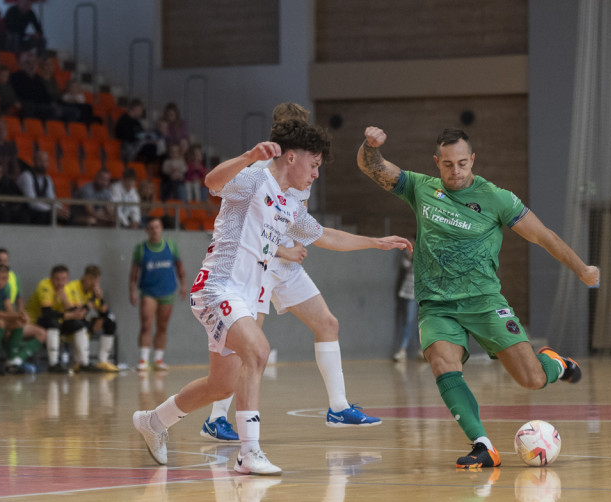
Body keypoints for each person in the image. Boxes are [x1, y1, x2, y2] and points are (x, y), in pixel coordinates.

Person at [132, 119, 411, 476]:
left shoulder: (289, 206)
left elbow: (323, 235)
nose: (315, 175)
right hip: (217, 287)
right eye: (314, 166)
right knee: (259, 350)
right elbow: (212, 182)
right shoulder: (254, 180)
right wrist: (248, 156)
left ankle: (154, 421)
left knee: (222, 385)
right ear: (291, 158)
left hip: (242, 297)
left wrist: (375, 242)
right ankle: (249, 453)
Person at [357, 126, 599, 468]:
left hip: (485, 301)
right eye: (447, 164)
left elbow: (544, 236)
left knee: (531, 379)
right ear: (436, 163)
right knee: (442, 363)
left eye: (461, 163)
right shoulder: (420, 188)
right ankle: (482, 445)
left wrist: (582, 268)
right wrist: (370, 146)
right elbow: (373, 167)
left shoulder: (497, 198)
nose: (455, 171)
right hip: (437, 304)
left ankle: (555, 363)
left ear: (473, 160)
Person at [201, 102, 384, 442]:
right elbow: (242, 216)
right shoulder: (259, 172)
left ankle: (339, 406)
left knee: (327, 323)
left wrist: (375, 241)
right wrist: (282, 248)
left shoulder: (305, 168)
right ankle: (217, 418)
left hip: (287, 264)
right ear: (284, 146)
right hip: (259, 265)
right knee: (246, 347)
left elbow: (304, 225)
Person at [129, 217, 185, 372]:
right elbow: (134, 273)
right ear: (147, 230)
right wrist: (132, 290)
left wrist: (184, 285)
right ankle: (143, 359)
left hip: (167, 291)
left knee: (162, 326)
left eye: (157, 227)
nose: (154, 230)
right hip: (148, 292)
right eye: (151, 227)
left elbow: (179, 267)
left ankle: (158, 360)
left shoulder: (171, 245)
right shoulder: (141, 249)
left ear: (161, 229)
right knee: (146, 324)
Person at [25, 264, 90, 373]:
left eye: (63, 279)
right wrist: (70, 315)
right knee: (52, 322)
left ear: (67, 279)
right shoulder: (44, 286)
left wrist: (66, 301)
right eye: (57, 279)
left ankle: (83, 363)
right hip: (36, 321)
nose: (60, 283)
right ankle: (53, 364)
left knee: (79, 324)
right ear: (51, 278)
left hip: (57, 321)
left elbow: (74, 312)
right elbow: (47, 313)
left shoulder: (66, 289)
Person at [0, 263, 45, 373]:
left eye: (3, 279)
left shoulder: (6, 287)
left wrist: (19, 318)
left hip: (1, 321)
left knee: (20, 324)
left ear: (7, 279)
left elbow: (9, 309)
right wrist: (17, 315)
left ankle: (14, 360)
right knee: (0, 323)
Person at [67, 264, 119, 372]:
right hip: (70, 323)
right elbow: (77, 314)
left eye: (96, 280)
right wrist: (92, 300)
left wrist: (100, 298)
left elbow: (105, 312)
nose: (93, 283)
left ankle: (103, 361)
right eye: (91, 279)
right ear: (85, 276)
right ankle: (82, 362)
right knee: (81, 324)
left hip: (84, 321)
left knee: (110, 322)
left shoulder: (93, 292)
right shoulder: (72, 288)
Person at [17, 148, 70, 225]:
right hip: (26, 211)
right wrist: (53, 211)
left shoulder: (47, 178)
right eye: (40, 161)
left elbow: (51, 199)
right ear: (34, 161)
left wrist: (61, 208)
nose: (43, 164)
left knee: (67, 216)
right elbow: (32, 203)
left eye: (46, 161)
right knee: (47, 215)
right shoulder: (26, 176)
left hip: (42, 210)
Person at [115, 99, 161, 164]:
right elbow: (126, 136)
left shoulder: (136, 122)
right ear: (136, 109)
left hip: (138, 144)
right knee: (151, 148)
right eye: (140, 110)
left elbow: (141, 133)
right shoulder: (123, 120)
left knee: (155, 143)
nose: (141, 112)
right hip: (128, 146)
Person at [392, 249, 417, 362]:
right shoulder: (411, 254)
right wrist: (410, 255)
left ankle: (425, 350)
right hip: (411, 292)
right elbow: (405, 264)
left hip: (426, 293)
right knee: (408, 321)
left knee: (427, 323)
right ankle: (403, 349)